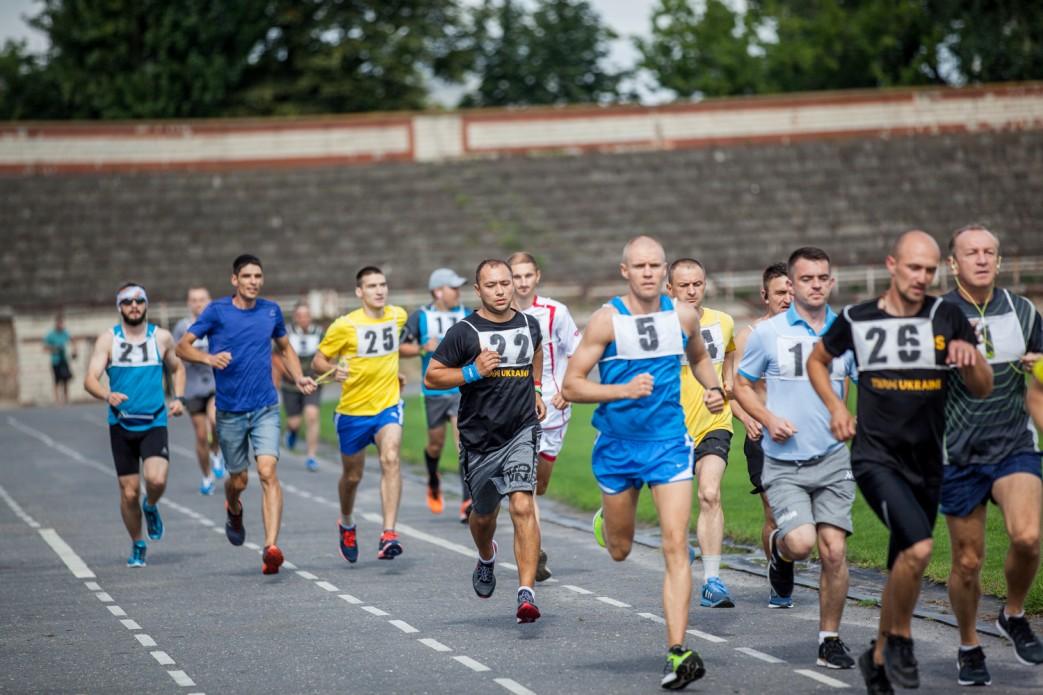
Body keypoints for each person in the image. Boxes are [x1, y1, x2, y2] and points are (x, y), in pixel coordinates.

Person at [807, 230, 992, 693]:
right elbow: (817, 360)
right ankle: (900, 640)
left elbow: (983, 385)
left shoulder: (947, 314)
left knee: (903, 565)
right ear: (892, 265)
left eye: (930, 271)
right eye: (914, 268)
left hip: (928, 462)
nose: (922, 278)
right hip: (876, 458)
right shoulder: (857, 318)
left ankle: (878, 658)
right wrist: (836, 407)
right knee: (920, 549)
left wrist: (970, 361)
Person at [562, 235, 725, 690]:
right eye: (641, 266)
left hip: (670, 443)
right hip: (617, 445)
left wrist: (712, 388)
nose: (649, 272)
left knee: (676, 546)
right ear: (625, 271)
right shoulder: (606, 321)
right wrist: (622, 390)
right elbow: (573, 386)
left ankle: (678, 651)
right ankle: (609, 522)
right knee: (620, 550)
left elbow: (699, 358)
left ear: (664, 270)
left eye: (656, 265)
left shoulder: (683, 316)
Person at [734, 247, 858, 669]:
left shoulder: (846, 330)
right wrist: (767, 418)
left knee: (834, 551)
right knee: (802, 544)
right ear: (792, 283)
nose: (815, 285)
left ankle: (829, 640)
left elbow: (868, 380)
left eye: (823, 278)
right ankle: (780, 552)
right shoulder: (768, 334)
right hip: (784, 459)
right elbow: (742, 385)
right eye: (806, 279)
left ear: (831, 281)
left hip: (833, 458)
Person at [939, 224, 1043, 686]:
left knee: (1027, 537)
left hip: (1013, 444)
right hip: (956, 451)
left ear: (999, 262)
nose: (981, 259)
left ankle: (1013, 614)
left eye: (989, 252)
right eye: (971, 252)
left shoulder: (1024, 311)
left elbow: (1038, 388)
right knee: (967, 561)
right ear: (952, 263)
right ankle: (968, 644)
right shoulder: (934, 315)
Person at [177, 254, 317, 575]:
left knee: (268, 472)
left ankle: (271, 548)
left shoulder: (271, 311)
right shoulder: (217, 312)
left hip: (266, 406)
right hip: (230, 412)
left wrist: (297, 377)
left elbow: (285, 348)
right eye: (247, 276)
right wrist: (208, 359)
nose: (254, 281)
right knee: (238, 479)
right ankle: (234, 508)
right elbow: (182, 347)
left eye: (258, 276)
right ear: (234, 280)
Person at [425, 259, 546, 624]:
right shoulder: (464, 331)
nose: (500, 290)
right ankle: (486, 556)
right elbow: (432, 376)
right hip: (480, 438)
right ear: (478, 290)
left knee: (523, 505)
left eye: (505, 283)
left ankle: (526, 593)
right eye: (491, 285)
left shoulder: (529, 323)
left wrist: (536, 388)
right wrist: (472, 371)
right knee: (483, 517)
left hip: (522, 430)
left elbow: (536, 351)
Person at [84, 283, 185, 567]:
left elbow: (178, 368)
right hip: (121, 423)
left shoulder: (161, 338)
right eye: (127, 302)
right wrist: (107, 394)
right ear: (120, 307)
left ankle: (151, 505)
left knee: (156, 480)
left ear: (146, 305)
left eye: (139, 301)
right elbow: (90, 379)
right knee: (128, 492)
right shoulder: (108, 340)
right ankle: (138, 543)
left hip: (154, 419)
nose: (134, 306)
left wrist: (179, 398)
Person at [313, 266, 409, 563]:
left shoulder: (398, 315)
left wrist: (397, 374)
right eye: (371, 286)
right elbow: (318, 360)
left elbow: (393, 349)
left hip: (387, 406)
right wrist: (332, 371)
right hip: (353, 412)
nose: (379, 290)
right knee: (353, 476)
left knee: (390, 457)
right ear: (359, 292)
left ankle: (388, 533)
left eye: (382, 285)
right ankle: (346, 521)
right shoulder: (344, 325)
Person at [666, 257, 737, 608]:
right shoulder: (660, 326)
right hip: (671, 430)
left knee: (709, 493)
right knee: (674, 518)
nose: (693, 291)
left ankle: (712, 581)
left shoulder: (724, 322)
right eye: (684, 286)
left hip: (714, 423)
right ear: (669, 289)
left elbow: (730, 366)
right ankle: (686, 544)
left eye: (698, 284)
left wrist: (727, 388)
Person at [509, 251, 581, 583]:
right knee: (525, 486)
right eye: (516, 276)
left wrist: (568, 389)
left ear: (536, 276)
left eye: (527, 275)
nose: (521, 282)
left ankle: (531, 538)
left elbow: (579, 352)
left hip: (553, 408)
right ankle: (534, 551)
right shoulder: (499, 315)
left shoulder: (556, 312)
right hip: (515, 409)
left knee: (539, 484)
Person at [730, 263, 792, 562]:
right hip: (763, 435)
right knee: (775, 512)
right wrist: (747, 417)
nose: (788, 298)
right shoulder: (749, 336)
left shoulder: (811, 334)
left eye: (792, 291)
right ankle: (778, 576)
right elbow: (731, 388)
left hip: (801, 433)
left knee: (808, 518)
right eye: (780, 292)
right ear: (765, 295)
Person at [400, 268, 471, 519]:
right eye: (454, 288)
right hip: (433, 391)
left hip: (462, 390)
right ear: (438, 291)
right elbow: (400, 346)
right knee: (435, 444)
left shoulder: (466, 314)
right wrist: (422, 348)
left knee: (464, 443)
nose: (458, 293)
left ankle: (467, 500)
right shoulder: (421, 316)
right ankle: (432, 478)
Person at [173, 286, 225, 495]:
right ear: (188, 303)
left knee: (215, 420)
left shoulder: (217, 324)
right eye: (193, 300)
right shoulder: (182, 328)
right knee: (201, 435)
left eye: (202, 299)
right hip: (193, 387)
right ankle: (206, 476)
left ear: (209, 301)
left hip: (214, 383)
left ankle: (216, 452)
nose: (198, 303)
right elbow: (177, 356)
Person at [283, 302, 324, 472]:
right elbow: (277, 357)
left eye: (306, 316)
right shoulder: (286, 333)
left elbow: (326, 355)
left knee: (312, 415)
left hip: (312, 382)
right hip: (290, 383)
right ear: (295, 317)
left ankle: (311, 456)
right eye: (299, 316)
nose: (303, 319)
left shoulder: (319, 333)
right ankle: (291, 432)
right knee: (294, 422)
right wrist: (287, 374)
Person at [45, 313, 77, 405]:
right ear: (56, 324)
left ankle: (66, 399)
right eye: (59, 323)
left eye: (61, 323)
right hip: (55, 361)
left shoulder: (65, 333)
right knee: (56, 380)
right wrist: (54, 348)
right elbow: (45, 347)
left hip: (64, 360)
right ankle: (57, 400)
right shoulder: (51, 335)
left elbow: (73, 341)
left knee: (66, 380)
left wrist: (74, 351)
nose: (60, 325)